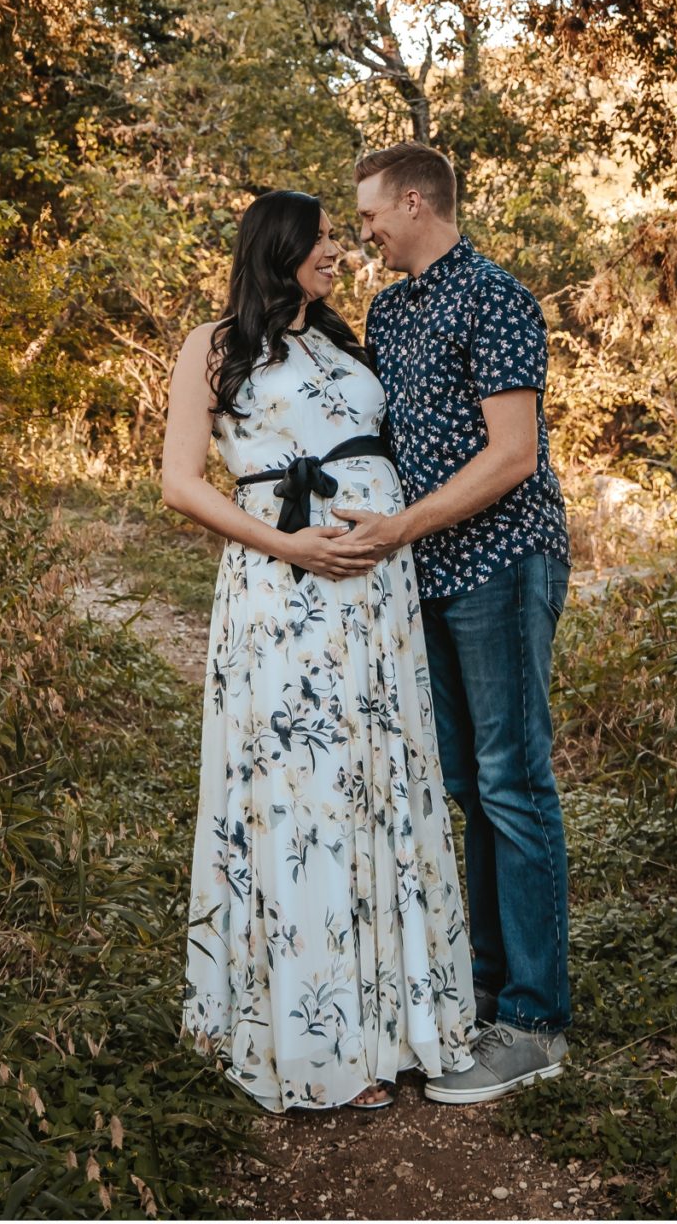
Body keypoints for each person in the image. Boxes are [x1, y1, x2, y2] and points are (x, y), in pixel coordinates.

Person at [162, 188, 475, 1113]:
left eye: (341, 236)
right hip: (283, 586)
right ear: (280, 247)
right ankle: (322, 1043)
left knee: (380, 782)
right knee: (303, 794)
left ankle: (401, 1023)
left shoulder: (346, 344)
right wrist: (288, 545)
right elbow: (181, 484)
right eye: (323, 239)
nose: (338, 251)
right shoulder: (213, 346)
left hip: (378, 595)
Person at [342, 142, 573, 1103]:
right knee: (466, 785)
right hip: (424, 575)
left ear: (413, 202)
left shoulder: (496, 297)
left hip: (501, 562)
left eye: (369, 215)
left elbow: (512, 455)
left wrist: (400, 526)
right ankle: (482, 991)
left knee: (512, 782)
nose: (363, 232)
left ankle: (535, 1023)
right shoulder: (387, 310)